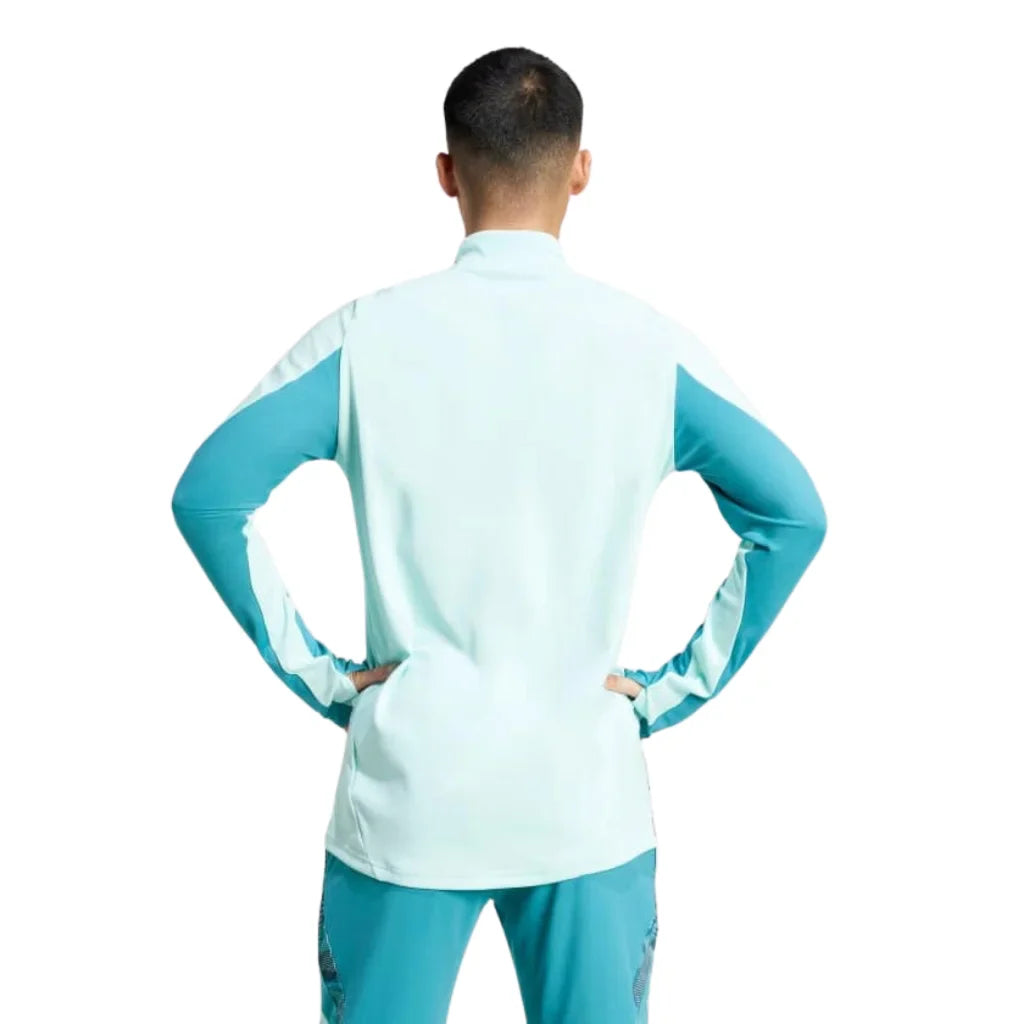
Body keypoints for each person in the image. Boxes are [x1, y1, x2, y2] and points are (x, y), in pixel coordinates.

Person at [170, 44, 827, 1024]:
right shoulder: (648, 349)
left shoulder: (365, 338)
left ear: (446, 172)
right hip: (583, 800)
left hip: (409, 799)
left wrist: (324, 680)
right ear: (581, 168)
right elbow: (792, 515)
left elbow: (210, 495)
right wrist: (668, 692)